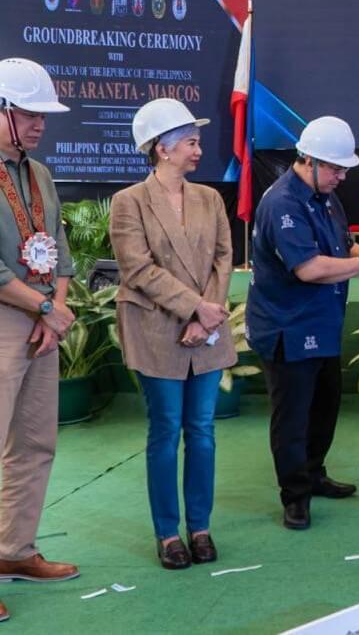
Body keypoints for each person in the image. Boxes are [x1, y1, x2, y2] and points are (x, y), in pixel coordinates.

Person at [246, 116, 359, 530]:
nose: (342, 176)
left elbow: (340, 243)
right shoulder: (281, 203)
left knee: (324, 407)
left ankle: (314, 474)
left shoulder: (327, 196)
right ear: (309, 160)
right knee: (293, 417)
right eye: (336, 168)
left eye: (344, 169)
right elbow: (310, 268)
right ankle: (294, 496)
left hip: (322, 323)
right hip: (288, 328)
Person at [109, 99, 236, 570]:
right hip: (156, 328)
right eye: (191, 141)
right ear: (161, 149)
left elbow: (225, 256)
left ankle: (199, 527)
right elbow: (136, 268)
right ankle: (168, 534)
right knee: (166, 430)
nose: (198, 149)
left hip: (206, 329)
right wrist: (194, 307)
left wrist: (206, 316)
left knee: (202, 431)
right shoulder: (128, 203)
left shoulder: (210, 198)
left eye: (197, 141)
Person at [0, 57, 79, 620]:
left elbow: (60, 249)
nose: (39, 124)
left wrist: (57, 310)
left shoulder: (40, 174)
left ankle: (13, 551)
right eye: (29, 113)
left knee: (34, 444)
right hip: (12, 319)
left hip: (40, 324)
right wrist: (45, 308)